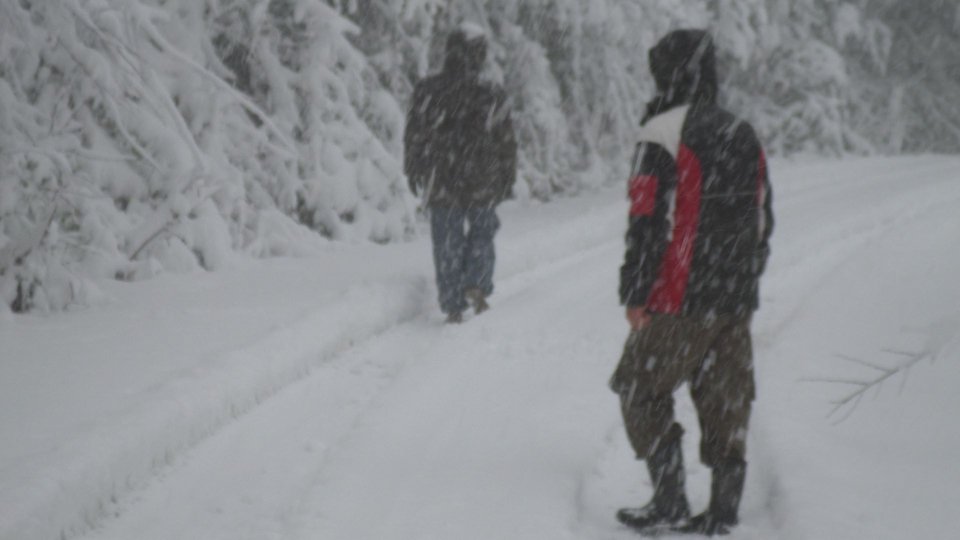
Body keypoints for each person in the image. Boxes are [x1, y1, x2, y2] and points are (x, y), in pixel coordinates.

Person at [609, 29, 774, 536]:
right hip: (734, 296)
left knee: (638, 386)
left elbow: (646, 219)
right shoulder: (743, 131)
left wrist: (636, 293)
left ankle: (670, 499)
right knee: (725, 396)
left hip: (681, 296)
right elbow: (764, 217)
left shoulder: (661, 131)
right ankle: (723, 512)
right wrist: (744, 281)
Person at [403, 24, 518, 323]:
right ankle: (476, 284)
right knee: (482, 231)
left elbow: (414, 134)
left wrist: (414, 167)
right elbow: (505, 139)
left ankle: (453, 302)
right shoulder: (490, 92)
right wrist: (507, 174)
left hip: (441, 175)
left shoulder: (428, 90)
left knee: (446, 240)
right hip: (482, 174)